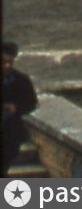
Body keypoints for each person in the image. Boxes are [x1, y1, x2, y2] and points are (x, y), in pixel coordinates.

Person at [1, 41, 35, 174]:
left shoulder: (22, 80)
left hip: (11, 132)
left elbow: (31, 103)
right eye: (3, 62)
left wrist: (16, 108)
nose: (7, 66)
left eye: (10, 62)